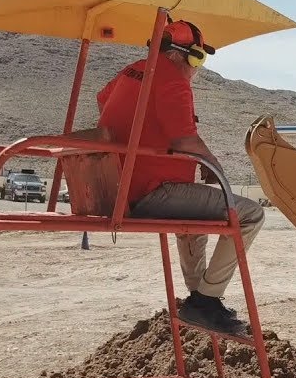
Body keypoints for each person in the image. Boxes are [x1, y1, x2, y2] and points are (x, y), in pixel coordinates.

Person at [94, 19, 264, 336]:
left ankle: (201, 298)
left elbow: (102, 99)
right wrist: (216, 168)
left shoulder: (132, 70)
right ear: (178, 54)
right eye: (198, 57)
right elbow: (185, 140)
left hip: (121, 188)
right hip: (150, 191)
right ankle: (205, 300)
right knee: (250, 214)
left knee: (194, 219)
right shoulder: (172, 80)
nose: (198, 67)